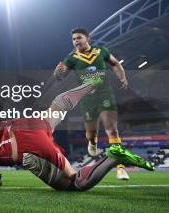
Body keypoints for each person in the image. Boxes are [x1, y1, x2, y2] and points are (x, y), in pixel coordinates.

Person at [0, 79, 154, 190]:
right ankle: (91, 84)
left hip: (26, 146)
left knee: (74, 182)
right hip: (24, 125)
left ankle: (112, 157)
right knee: (57, 108)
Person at [54, 27, 130, 180]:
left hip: (105, 94)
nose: (76, 41)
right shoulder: (72, 57)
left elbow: (115, 64)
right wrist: (57, 73)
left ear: (87, 38)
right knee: (92, 132)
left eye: (79, 38)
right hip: (87, 98)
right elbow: (61, 77)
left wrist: (122, 76)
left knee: (112, 131)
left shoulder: (101, 51)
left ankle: (120, 167)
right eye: (74, 39)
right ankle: (92, 141)